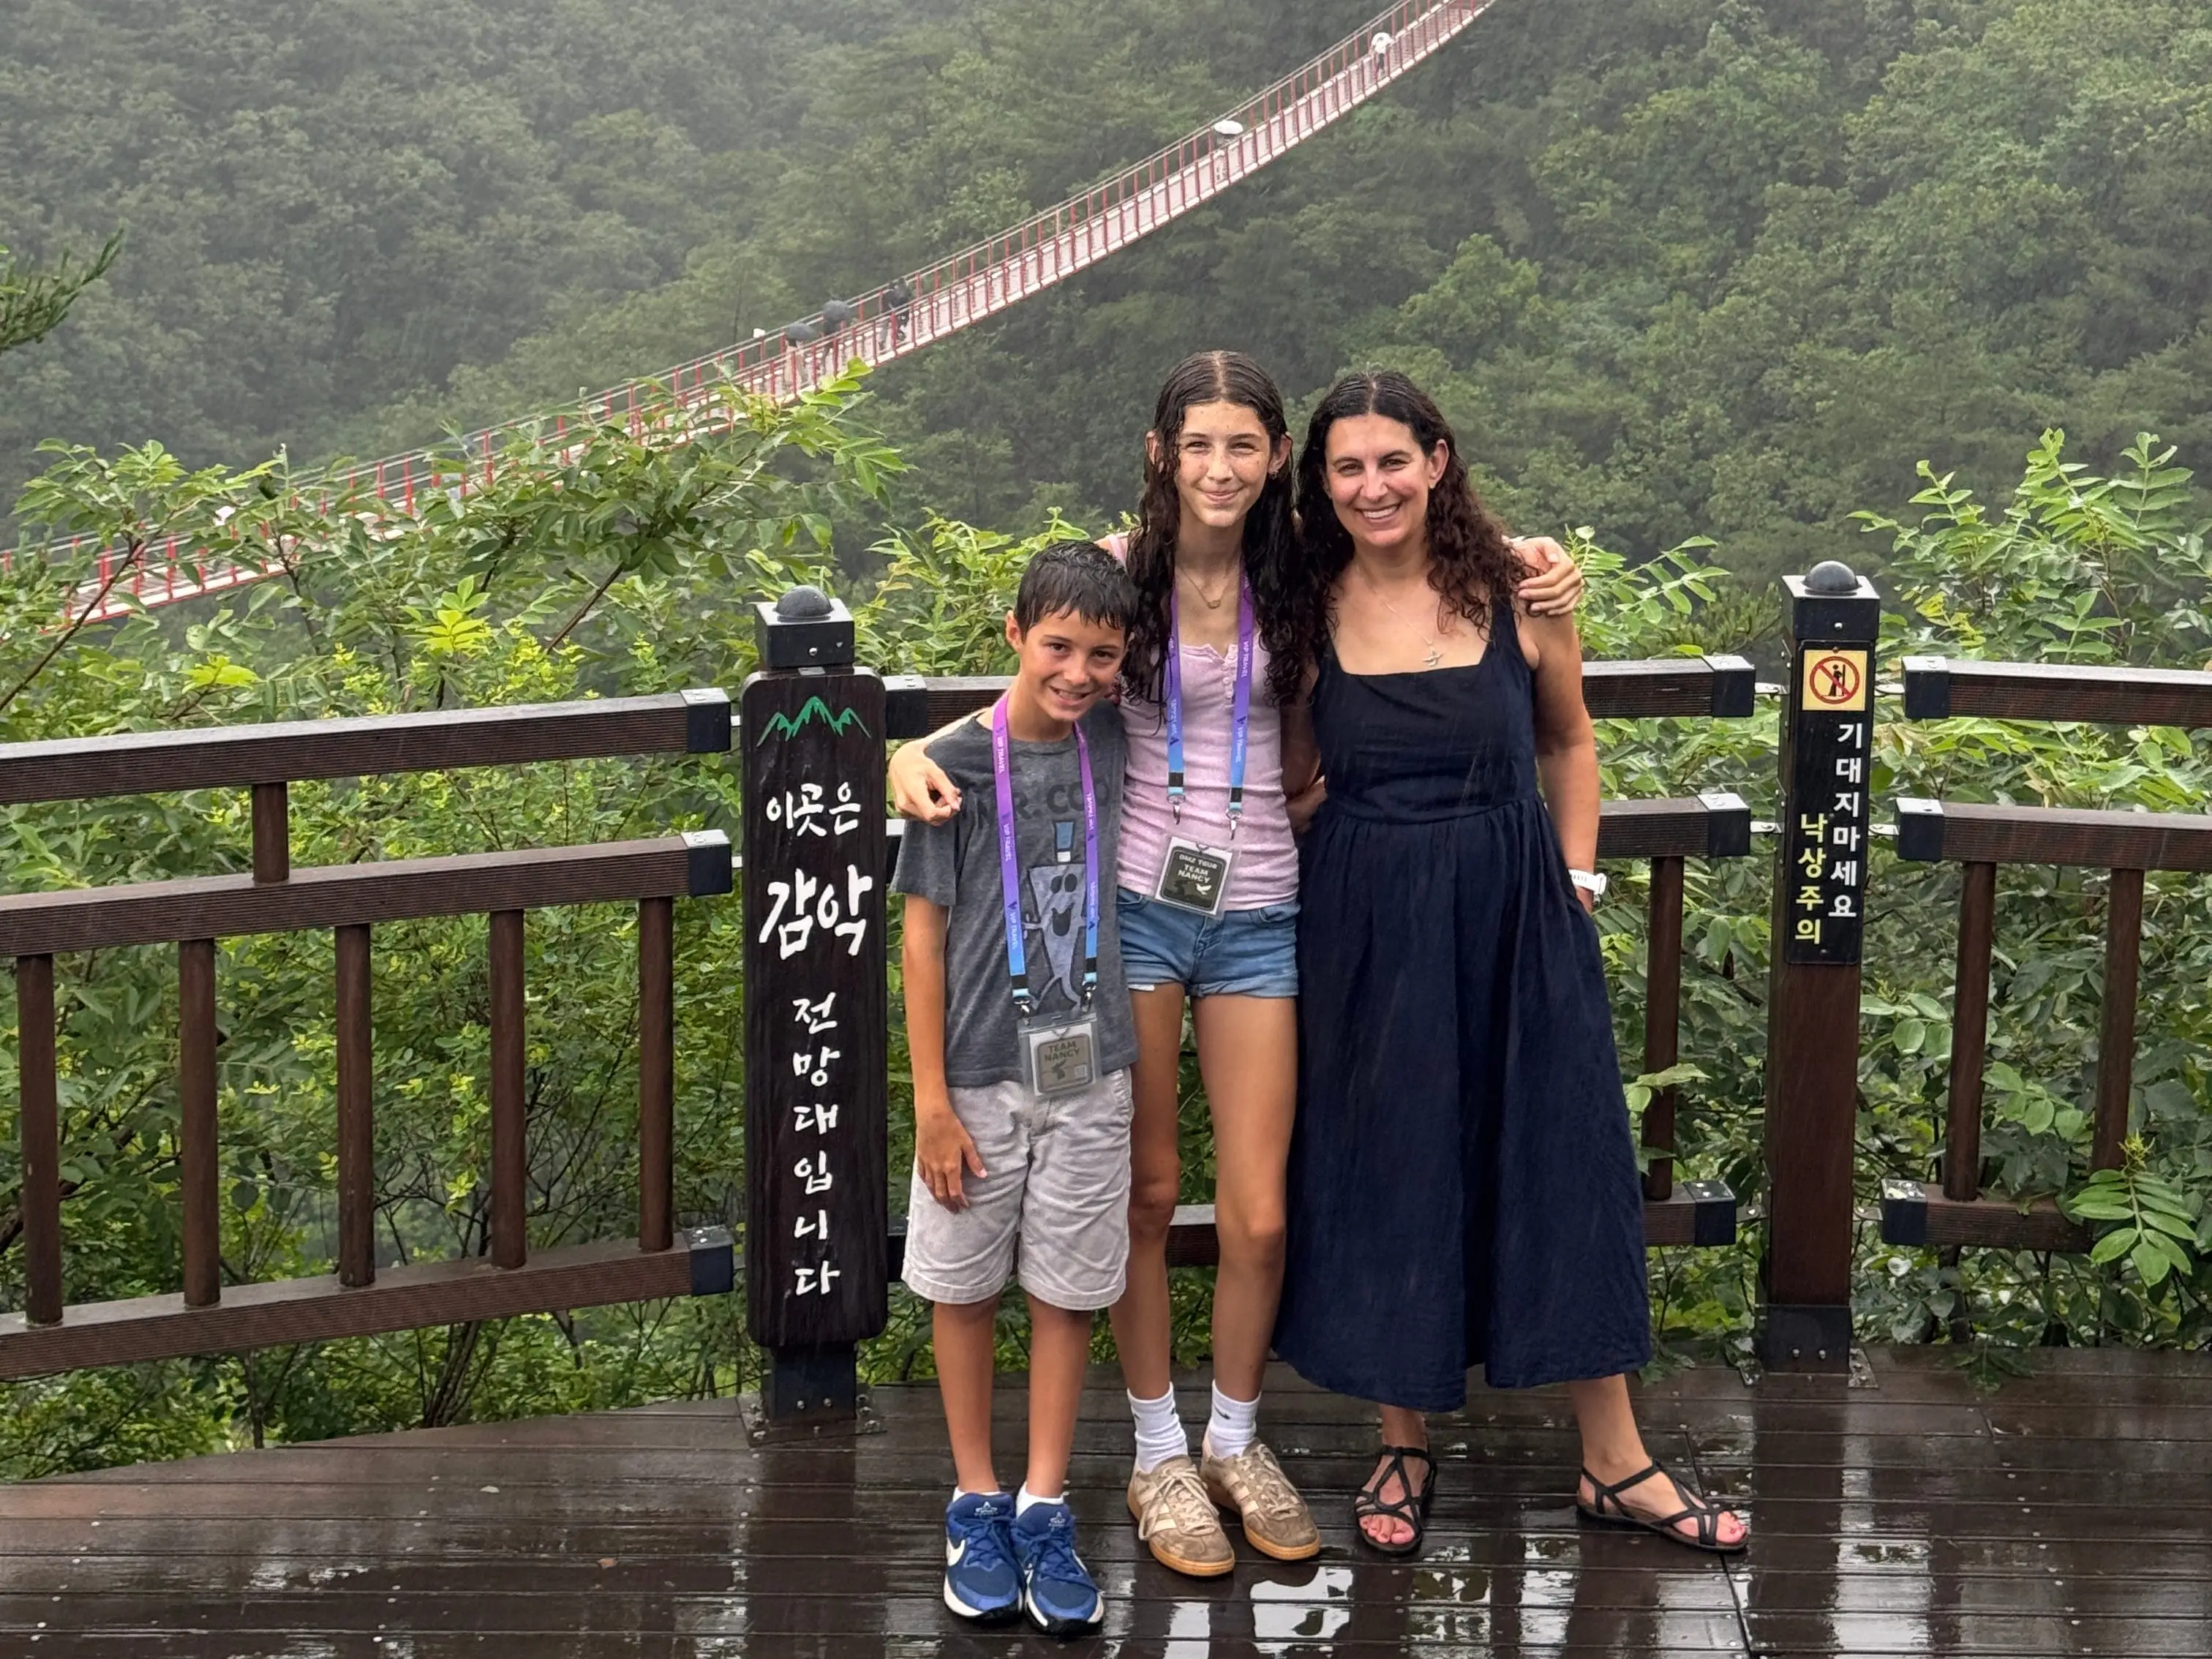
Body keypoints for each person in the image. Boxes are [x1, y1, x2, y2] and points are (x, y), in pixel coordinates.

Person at [889, 350, 1587, 1579]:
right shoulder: (1119, 573)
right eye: (1198, 444)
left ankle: (1237, 1435)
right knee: (1148, 1196)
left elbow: (1423, 584)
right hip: (1138, 914)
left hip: (1265, 906)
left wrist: (1539, 572)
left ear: (1276, 463)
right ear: (1163, 454)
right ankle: (1159, 1452)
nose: (1221, 468)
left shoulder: (1301, 574)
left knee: (1262, 1212)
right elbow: (1031, 692)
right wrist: (903, 749)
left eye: (1246, 446)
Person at [1271, 369, 1749, 1557]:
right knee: (1390, 1160)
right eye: (1347, 466)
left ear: (1438, 460)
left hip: (1515, 903)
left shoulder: (1521, 590)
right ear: (1320, 485)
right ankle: (1403, 1436)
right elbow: (1284, 772)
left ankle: (1615, 1458)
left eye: (1394, 459)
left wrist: (1576, 883)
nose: (1372, 486)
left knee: (1563, 1152)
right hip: (1367, 914)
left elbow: (1568, 739)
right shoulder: (1304, 606)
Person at [892, 540, 1142, 1637]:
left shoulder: (1119, 742)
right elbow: (922, 941)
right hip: (982, 1075)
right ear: (1013, 636)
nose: (1077, 672)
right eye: (1056, 647)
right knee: (962, 1284)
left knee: (1067, 1289)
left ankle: (1045, 1502)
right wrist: (930, 1102)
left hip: (1096, 1073)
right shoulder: (953, 762)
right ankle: (973, 1498)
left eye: (1101, 652)